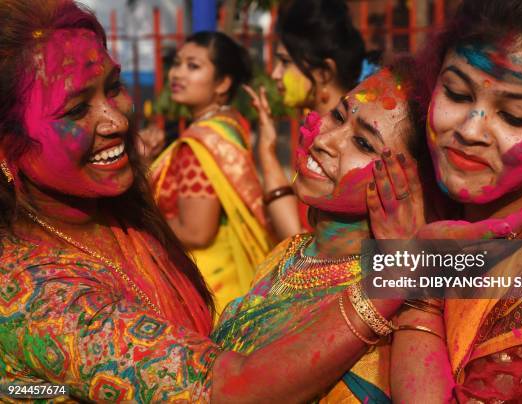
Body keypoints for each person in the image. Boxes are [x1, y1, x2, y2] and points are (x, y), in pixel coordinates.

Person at [0, 1, 419, 401]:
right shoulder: (32, 295)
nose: (120, 120)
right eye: (75, 110)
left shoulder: (429, 261)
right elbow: (224, 390)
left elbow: (479, 271)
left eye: (114, 88)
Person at [212, 66, 522, 402]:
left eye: (364, 144)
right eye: (338, 116)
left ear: (414, 184)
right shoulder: (289, 254)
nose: (327, 141)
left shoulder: (397, 301)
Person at [370, 0, 522, 401]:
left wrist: (420, 283)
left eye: (514, 116)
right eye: (457, 93)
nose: (470, 130)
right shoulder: (411, 201)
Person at [149, 32, 271, 312]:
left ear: (223, 82)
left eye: (193, 66)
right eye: (177, 63)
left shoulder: (199, 144)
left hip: (211, 286)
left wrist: (140, 221)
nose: (177, 73)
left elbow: (196, 231)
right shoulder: (229, 125)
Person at [246, 0, 380, 240]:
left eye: (285, 62)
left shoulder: (334, 145)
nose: (275, 74)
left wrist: (267, 153)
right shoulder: (317, 130)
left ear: (323, 73)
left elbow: (299, 239)